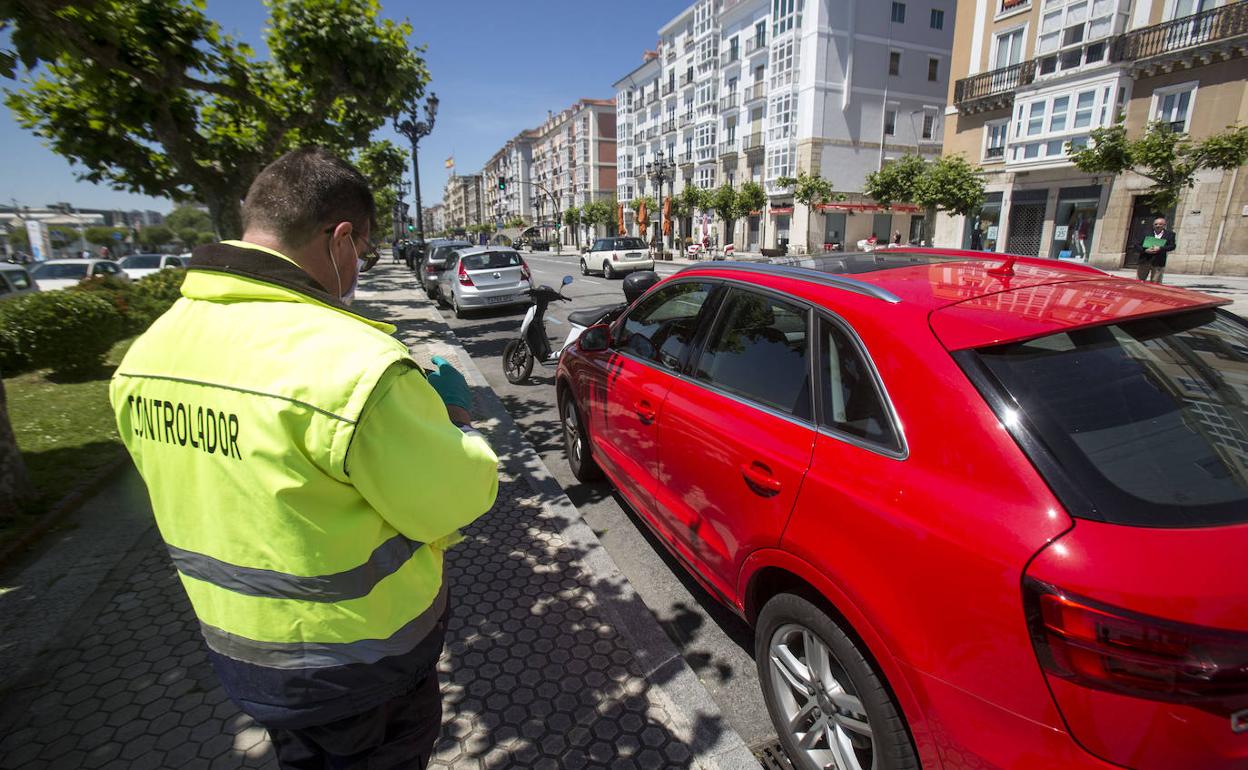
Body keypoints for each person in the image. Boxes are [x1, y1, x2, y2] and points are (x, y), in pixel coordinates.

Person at [109, 147, 499, 770]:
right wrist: (454, 425)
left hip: (245, 662)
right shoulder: (354, 365)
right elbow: (458, 498)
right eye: (365, 253)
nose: (361, 268)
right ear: (341, 238)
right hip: (361, 667)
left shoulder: (147, 354)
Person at [1134, 216, 1176, 284]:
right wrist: (1145, 250)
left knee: (1156, 283)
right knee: (1139, 282)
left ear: (1164, 225)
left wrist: (1160, 248)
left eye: (1160, 224)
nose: (1158, 226)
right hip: (1145, 260)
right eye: (1156, 224)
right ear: (1153, 225)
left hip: (1158, 261)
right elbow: (1136, 244)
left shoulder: (1170, 234)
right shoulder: (1145, 233)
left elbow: (1172, 246)